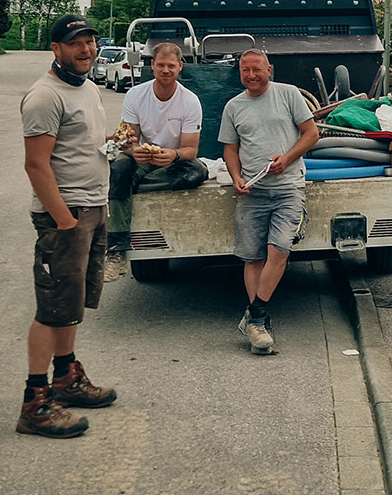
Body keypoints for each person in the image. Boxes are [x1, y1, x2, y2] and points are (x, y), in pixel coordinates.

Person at [18, 14, 123, 438]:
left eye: (91, 41)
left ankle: (66, 378)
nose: (87, 49)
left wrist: (118, 145)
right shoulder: (44, 96)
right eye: (76, 42)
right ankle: (35, 401)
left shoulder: (90, 88)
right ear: (56, 49)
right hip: (67, 215)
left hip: (92, 208)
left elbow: (84, 148)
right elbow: (36, 165)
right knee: (53, 307)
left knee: (72, 306)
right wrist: (64, 220)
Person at [219, 49, 319, 354]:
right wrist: (236, 177)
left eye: (256, 69)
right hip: (253, 191)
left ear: (269, 69)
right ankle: (258, 324)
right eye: (245, 70)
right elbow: (230, 149)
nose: (251, 75)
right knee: (252, 257)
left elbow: (312, 133)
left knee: (279, 250)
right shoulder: (233, 106)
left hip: (288, 187)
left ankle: (256, 316)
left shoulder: (288, 95)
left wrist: (287, 159)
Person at [107, 42, 207, 250]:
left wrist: (174, 154)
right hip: (143, 155)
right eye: (161, 65)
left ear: (180, 66)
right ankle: (117, 240)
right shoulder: (135, 94)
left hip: (171, 160)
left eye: (171, 66)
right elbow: (127, 138)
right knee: (119, 168)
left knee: (197, 172)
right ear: (152, 65)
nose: (165, 70)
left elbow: (191, 149)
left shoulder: (190, 101)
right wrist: (135, 150)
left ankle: (132, 185)